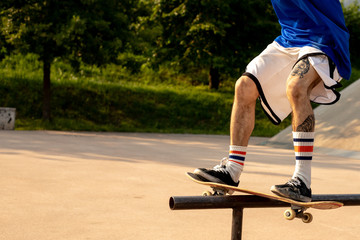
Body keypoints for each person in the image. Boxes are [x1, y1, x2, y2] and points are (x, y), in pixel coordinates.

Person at [194, 0, 351, 202]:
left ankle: (302, 181)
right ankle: (232, 170)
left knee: (296, 87)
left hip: (324, 40)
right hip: (289, 40)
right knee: (244, 86)